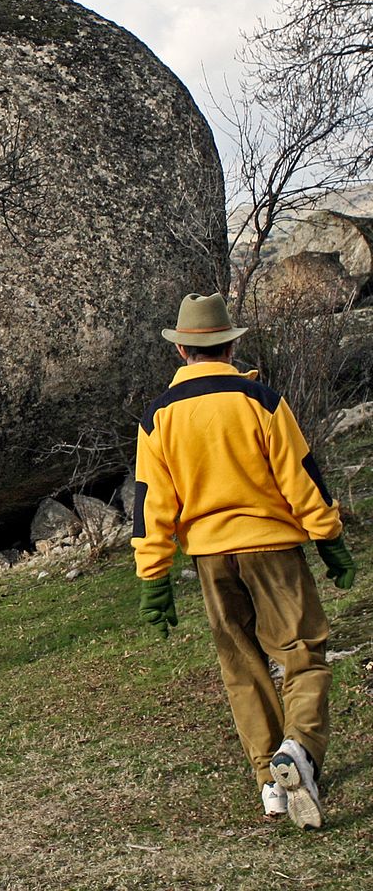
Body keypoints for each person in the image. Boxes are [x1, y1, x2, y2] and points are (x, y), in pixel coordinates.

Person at [131, 292, 356, 830]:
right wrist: (329, 539)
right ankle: (297, 750)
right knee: (301, 653)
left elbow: (151, 504)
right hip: (272, 549)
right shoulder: (261, 400)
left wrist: (154, 577)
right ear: (230, 344)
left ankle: (268, 786)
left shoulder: (157, 418)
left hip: (210, 557)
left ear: (182, 350)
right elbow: (301, 476)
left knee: (242, 667)